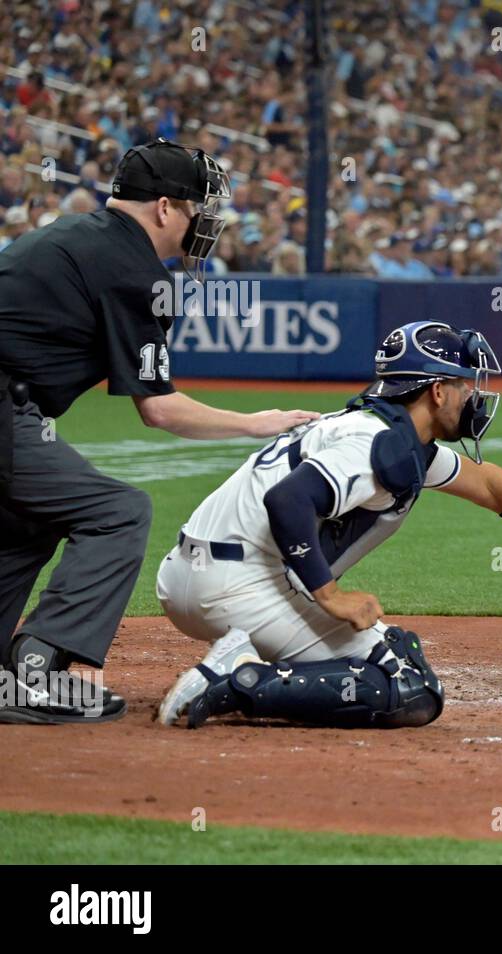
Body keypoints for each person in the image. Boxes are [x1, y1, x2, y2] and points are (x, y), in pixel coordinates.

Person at [155, 321, 502, 729]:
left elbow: (488, 486)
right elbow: (290, 500)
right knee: (409, 686)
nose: (475, 397)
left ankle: (249, 662)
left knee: (392, 657)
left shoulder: (393, 438)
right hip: (235, 587)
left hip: (196, 571)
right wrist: (330, 596)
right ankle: (238, 678)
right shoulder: (380, 444)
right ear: (437, 390)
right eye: (466, 385)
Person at [0, 139, 318, 724]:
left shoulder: (76, 235)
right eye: (200, 208)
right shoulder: (133, 268)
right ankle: (37, 672)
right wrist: (259, 423)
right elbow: (160, 411)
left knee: (25, 520)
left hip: (14, 408)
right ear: (166, 208)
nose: (206, 222)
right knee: (119, 512)